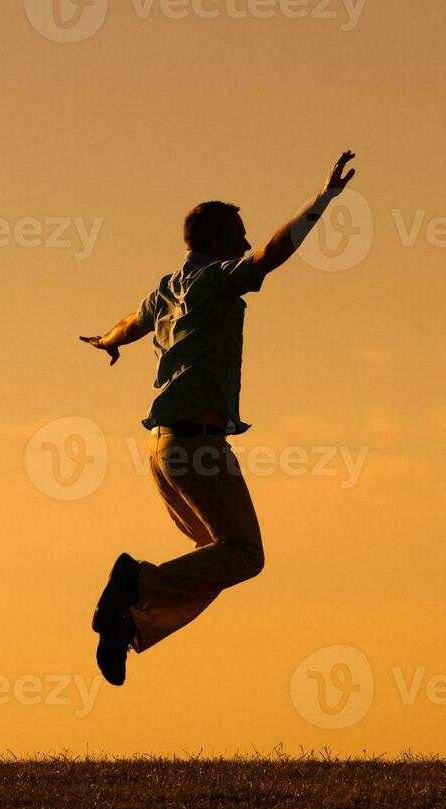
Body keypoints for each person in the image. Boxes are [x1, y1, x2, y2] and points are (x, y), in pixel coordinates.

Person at [78, 152, 360, 686]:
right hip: (200, 447)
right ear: (219, 240)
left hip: (163, 450)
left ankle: (127, 622)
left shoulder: (167, 288)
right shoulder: (216, 280)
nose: (246, 241)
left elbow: (130, 324)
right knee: (245, 556)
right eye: (240, 234)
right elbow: (274, 253)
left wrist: (106, 341)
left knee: (214, 561)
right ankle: (133, 586)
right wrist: (322, 200)